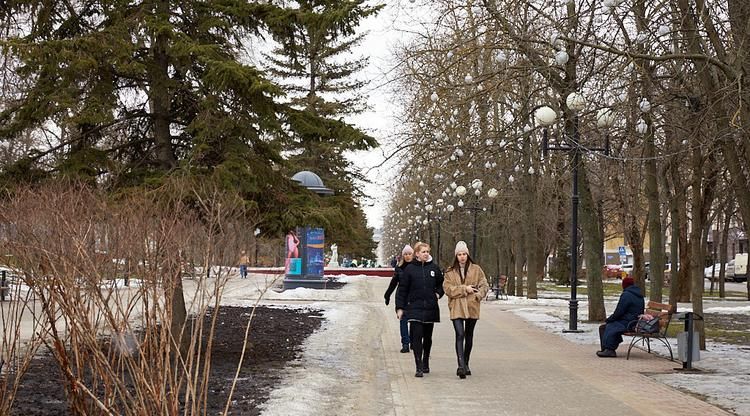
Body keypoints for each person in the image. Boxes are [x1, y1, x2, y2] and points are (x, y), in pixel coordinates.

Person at [395, 242, 444, 378]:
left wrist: (438, 294)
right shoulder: (410, 269)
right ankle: (418, 366)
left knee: (427, 338)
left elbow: (441, 284)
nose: (426, 253)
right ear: (417, 254)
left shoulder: (434, 268)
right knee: (416, 337)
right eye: (423, 251)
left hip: (430, 308)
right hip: (414, 307)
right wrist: (400, 308)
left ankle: (426, 361)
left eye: (427, 251)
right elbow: (402, 290)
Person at [443, 241, 489, 379]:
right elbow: (448, 289)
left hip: (472, 305)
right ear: (456, 256)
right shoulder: (450, 271)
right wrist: (464, 289)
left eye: (464, 254)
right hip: (457, 306)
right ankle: (461, 365)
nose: (462, 257)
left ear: (468, 255)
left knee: (469, 335)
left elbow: (484, 285)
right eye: (459, 254)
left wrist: (478, 295)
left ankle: (466, 363)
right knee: (460, 334)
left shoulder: (476, 269)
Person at [597, 276, 645, 357]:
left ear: (624, 285)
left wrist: (609, 319)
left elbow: (619, 312)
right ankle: (607, 349)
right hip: (634, 321)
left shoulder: (626, 295)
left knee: (608, 326)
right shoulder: (638, 294)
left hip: (628, 323)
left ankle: (609, 350)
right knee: (607, 327)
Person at [384, 244, 414, 353]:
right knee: (403, 320)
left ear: (413, 254)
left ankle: (413, 342)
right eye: (405, 254)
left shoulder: (417, 267)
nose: (407, 256)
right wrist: (387, 295)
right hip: (402, 297)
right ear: (403, 256)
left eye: (409, 254)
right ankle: (405, 343)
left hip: (414, 298)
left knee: (414, 322)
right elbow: (393, 283)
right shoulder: (399, 268)